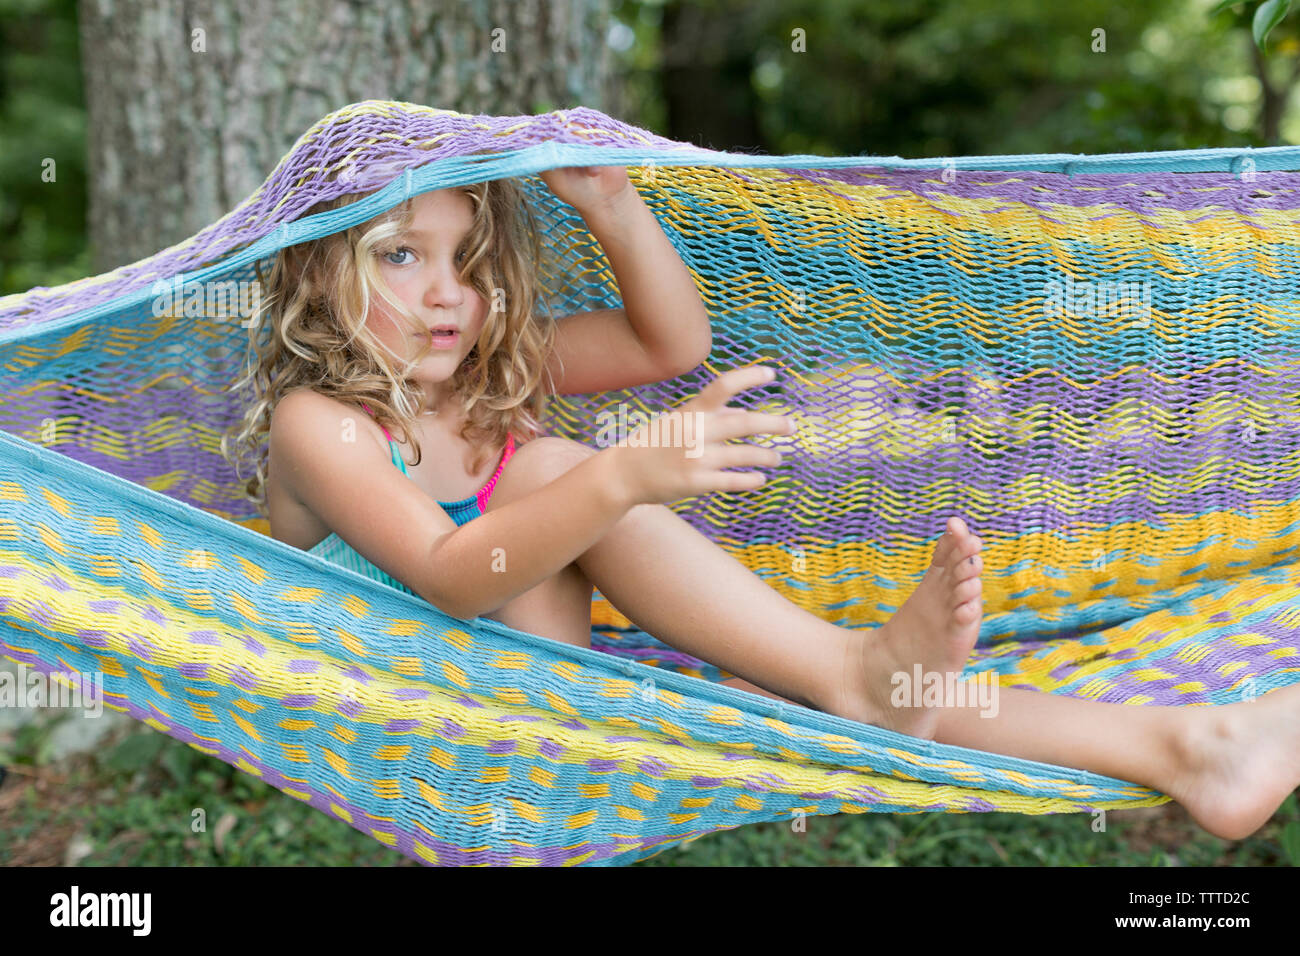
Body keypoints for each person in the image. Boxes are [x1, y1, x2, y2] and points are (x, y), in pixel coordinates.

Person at [222, 164, 1300, 843]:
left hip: (573, 714)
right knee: (555, 470)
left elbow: (669, 344)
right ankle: (851, 676)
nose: (447, 288)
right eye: (402, 255)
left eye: (468, 257)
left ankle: (1192, 746)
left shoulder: (495, 374)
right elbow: (455, 573)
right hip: (448, 737)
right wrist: (621, 475)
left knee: (817, 681)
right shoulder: (323, 424)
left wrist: (613, 201)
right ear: (318, 273)